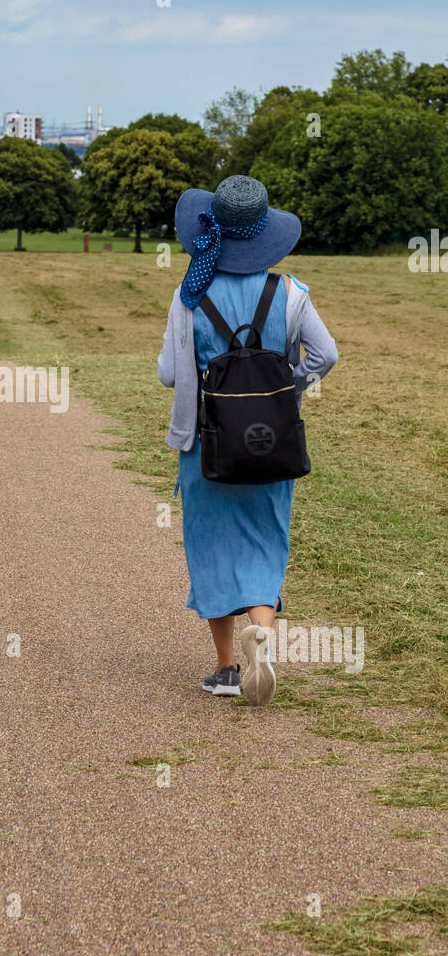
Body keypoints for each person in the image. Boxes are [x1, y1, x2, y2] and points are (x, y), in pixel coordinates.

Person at [158, 175, 337, 706]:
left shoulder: (190, 293)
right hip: (272, 444)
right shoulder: (290, 292)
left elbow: (170, 373)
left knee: (211, 547)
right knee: (265, 540)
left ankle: (226, 668)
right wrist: (284, 387)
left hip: (207, 444)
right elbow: (326, 356)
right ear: (263, 237)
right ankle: (261, 629)